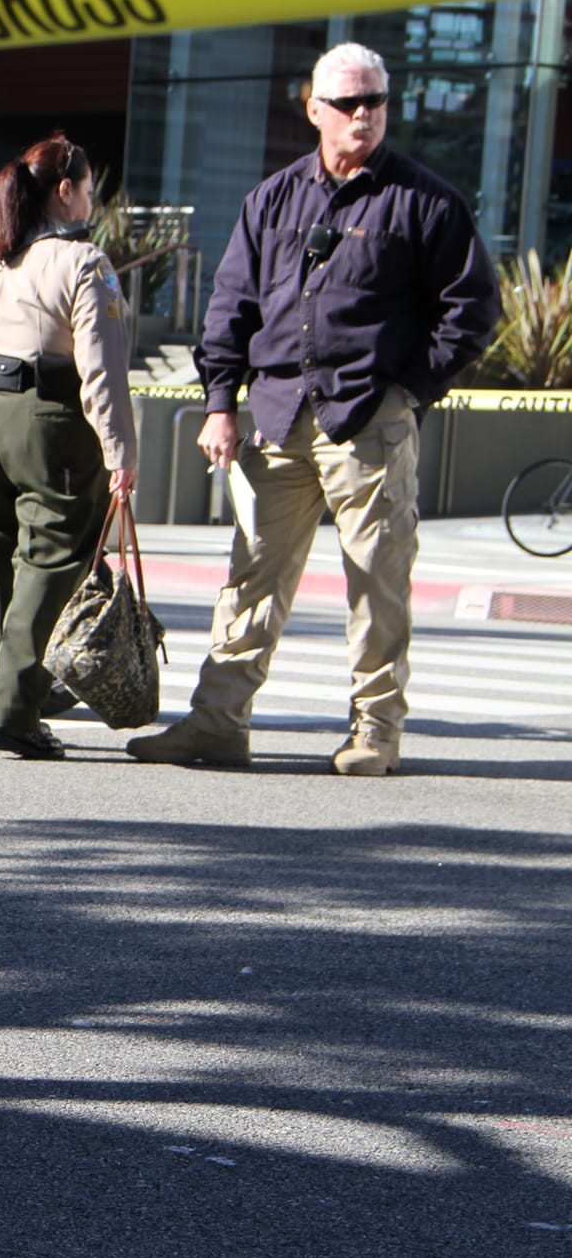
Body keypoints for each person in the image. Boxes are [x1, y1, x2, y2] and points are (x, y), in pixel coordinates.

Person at [126, 43, 500, 777]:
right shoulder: (272, 198)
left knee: (377, 578)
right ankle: (218, 723)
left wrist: (408, 388)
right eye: (349, 103)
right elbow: (230, 306)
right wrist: (218, 404)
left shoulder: (425, 201)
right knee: (251, 576)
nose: (364, 116)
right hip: (275, 414)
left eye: (376, 102)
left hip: (369, 420)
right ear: (314, 110)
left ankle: (375, 731)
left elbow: (471, 313)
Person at [0, 132, 139, 761]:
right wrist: (119, 452)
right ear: (65, 190)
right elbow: (100, 371)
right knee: (50, 565)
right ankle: (13, 713)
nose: (91, 203)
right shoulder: (84, 264)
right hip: (48, 423)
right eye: (88, 190)